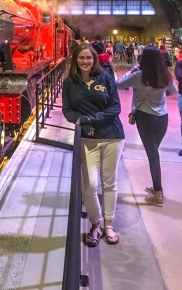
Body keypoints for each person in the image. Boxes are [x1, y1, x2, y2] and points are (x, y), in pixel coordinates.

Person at [62, 43, 125, 247]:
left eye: (89, 58)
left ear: (95, 60)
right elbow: (68, 111)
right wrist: (83, 122)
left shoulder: (105, 78)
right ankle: (95, 223)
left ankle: (108, 225)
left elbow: (115, 106)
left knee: (109, 182)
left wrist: (90, 119)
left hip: (112, 135)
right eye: (81, 58)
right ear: (75, 61)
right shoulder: (69, 83)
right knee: (89, 186)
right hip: (88, 140)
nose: (85, 61)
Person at [116, 47, 177, 207]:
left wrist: (131, 72)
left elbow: (118, 85)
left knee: (152, 154)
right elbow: (172, 92)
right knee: (154, 151)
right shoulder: (165, 75)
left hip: (145, 117)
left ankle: (158, 193)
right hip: (162, 118)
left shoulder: (138, 75)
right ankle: (158, 188)